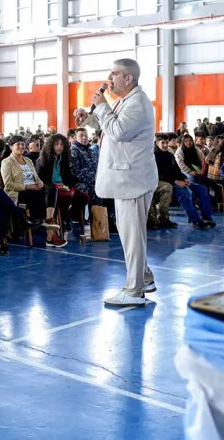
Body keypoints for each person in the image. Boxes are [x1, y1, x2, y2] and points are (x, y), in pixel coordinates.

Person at [91, 58, 159, 307]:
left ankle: (134, 291)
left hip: (133, 180)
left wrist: (101, 108)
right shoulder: (125, 101)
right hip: (126, 179)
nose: (110, 77)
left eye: (115, 73)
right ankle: (145, 276)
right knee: (130, 233)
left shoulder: (138, 104)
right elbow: (110, 126)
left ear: (128, 78)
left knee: (133, 235)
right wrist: (92, 115)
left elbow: (118, 131)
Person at [1, 135, 60, 239]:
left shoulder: (28, 160)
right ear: (11, 147)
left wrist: (40, 183)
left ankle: (48, 219)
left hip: (34, 189)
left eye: (23, 144)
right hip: (19, 192)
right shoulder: (7, 162)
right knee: (35, 194)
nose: (21, 146)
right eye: (17, 144)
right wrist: (27, 187)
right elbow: (8, 184)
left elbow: (36, 177)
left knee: (52, 189)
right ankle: (40, 221)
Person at [154, 134, 216, 230]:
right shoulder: (154, 156)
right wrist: (176, 181)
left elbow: (177, 170)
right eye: (163, 143)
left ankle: (207, 218)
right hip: (166, 183)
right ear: (157, 143)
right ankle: (196, 220)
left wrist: (184, 178)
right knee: (184, 193)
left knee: (201, 189)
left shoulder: (170, 155)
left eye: (167, 142)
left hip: (178, 181)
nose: (165, 145)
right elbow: (159, 174)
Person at [36, 133, 82, 245]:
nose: (59, 147)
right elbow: (40, 179)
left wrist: (70, 188)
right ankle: (53, 232)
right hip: (49, 188)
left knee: (83, 197)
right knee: (59, 195)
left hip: (63, 187)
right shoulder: (42, 160)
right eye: (56, 144)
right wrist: (58, 186)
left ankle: (66, 218)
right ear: (51, 145)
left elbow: (69, 177)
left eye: (62, 144)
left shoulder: (64, 159)